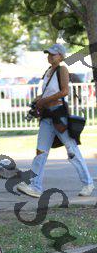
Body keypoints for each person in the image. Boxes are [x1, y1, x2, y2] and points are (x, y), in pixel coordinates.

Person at [17, 43, 94, 198]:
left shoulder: (62, 69)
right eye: (49, 54)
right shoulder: (48, 71)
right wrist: (39, 99)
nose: (50, 56)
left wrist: (44, 100)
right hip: (47, 116)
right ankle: (35, 187)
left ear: (61, 56)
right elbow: (48, 92)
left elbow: (64, 91)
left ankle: (88, 183)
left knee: (72, 150)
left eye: (53, 54)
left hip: (58, 115)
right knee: (40, 151)